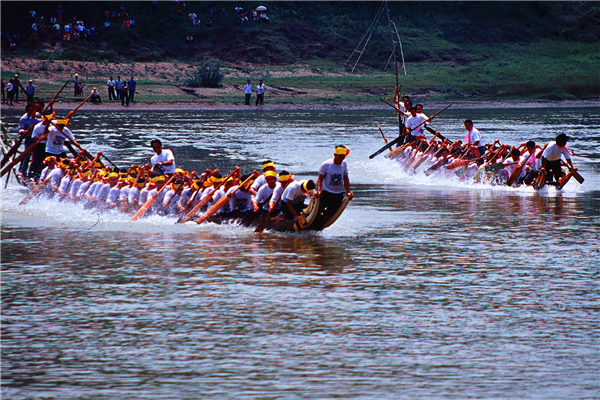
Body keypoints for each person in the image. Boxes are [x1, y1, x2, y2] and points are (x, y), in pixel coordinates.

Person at [315, 145, 353, 224]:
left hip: (337, 195)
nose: (341, 159)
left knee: (330, 214)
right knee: (317, 211)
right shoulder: (326, 164)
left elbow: (346, 178)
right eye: (340, 156)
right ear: (335, 155)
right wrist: (318, 190)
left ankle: (321, 222)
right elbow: (320, 179)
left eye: (343, 157)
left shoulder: (344, 164)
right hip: (326, 193)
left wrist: (348, 192)